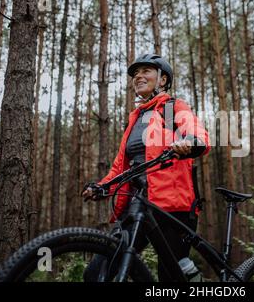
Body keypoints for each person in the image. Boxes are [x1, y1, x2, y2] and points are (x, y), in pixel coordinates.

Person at [81, 53, 210, 281]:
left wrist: (190, 142)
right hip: (137, 206)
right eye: (135, 74)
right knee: (98, 272)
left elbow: (197, 133)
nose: (138, 76)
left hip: (172, 208)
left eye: (146, 71)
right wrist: (101, 187)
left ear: (162, 80)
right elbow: (121, 168)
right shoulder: (135, 119)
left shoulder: (172, 108)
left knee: (171, 278)